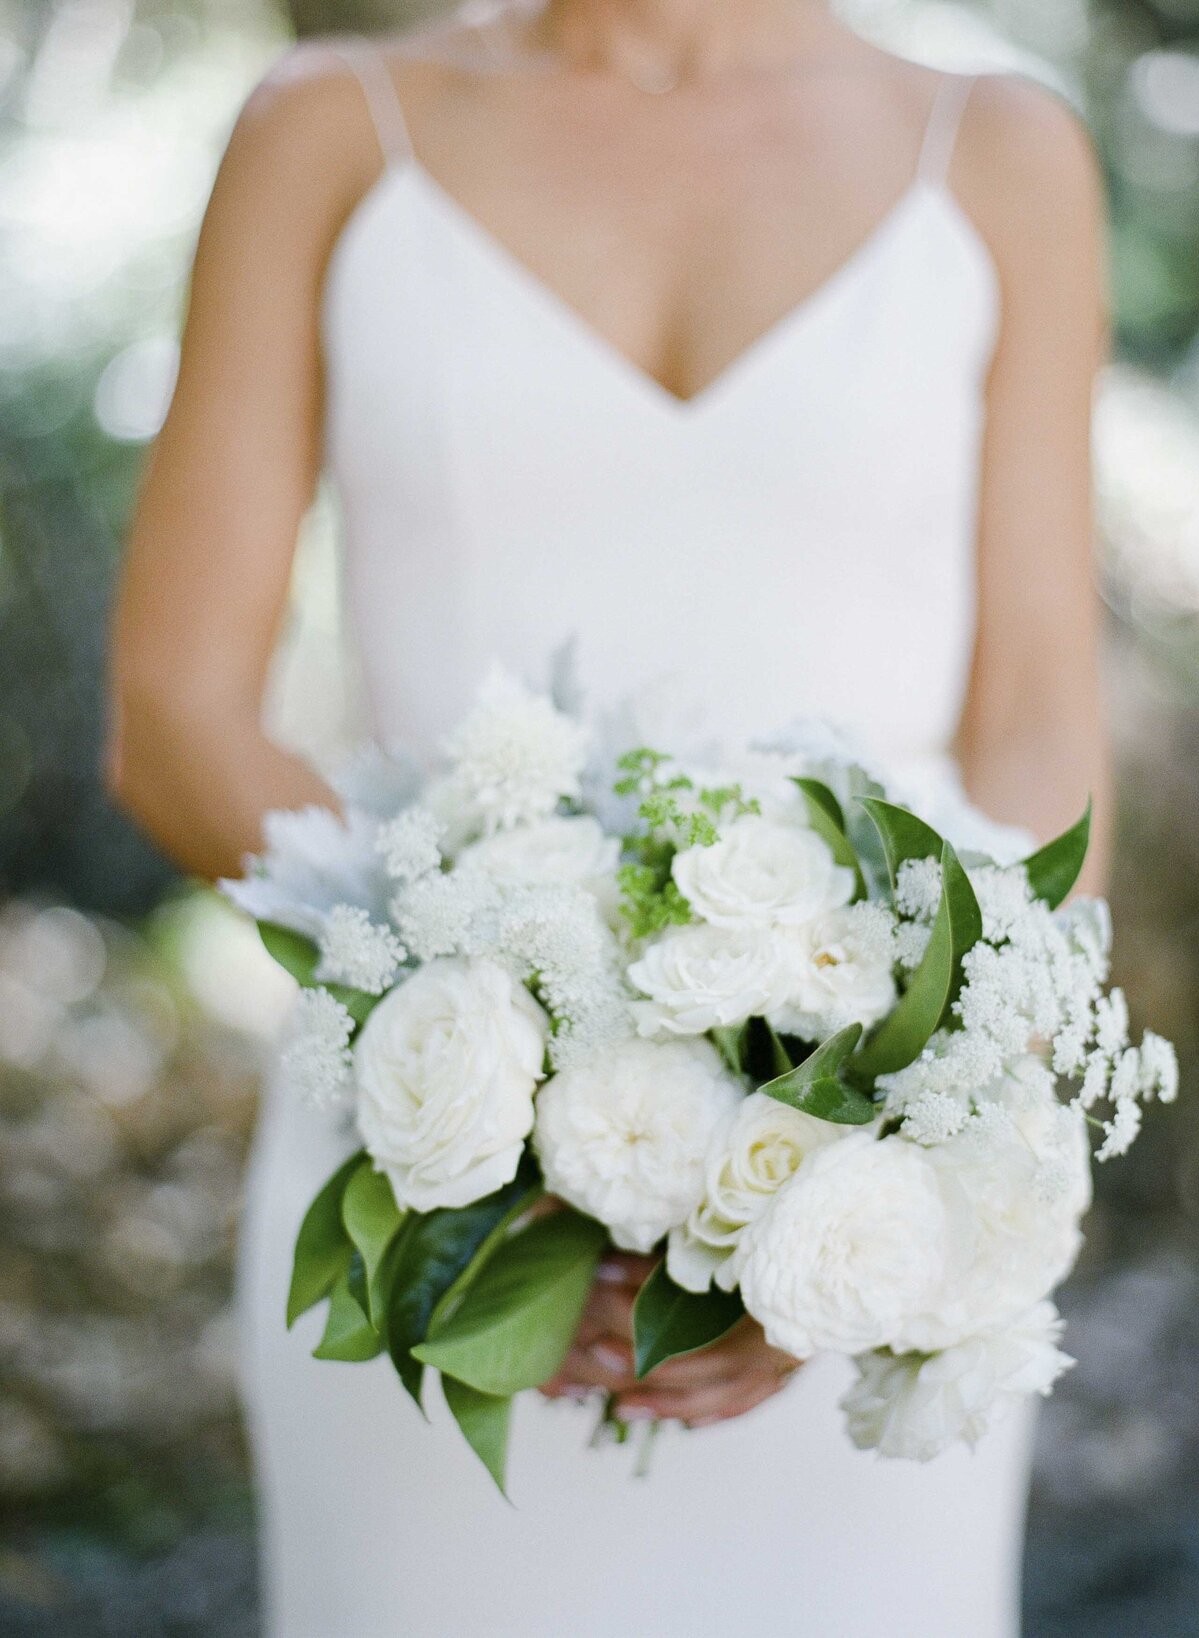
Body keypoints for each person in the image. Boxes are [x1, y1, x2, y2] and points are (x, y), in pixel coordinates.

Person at [109, 1, 1110, 1632]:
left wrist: (879, 1178)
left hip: (860, 1212)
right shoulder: (331, 133)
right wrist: (504, 1124)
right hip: (430, 1193)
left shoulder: (998, 154)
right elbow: (175, 716)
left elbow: (1037, 725)